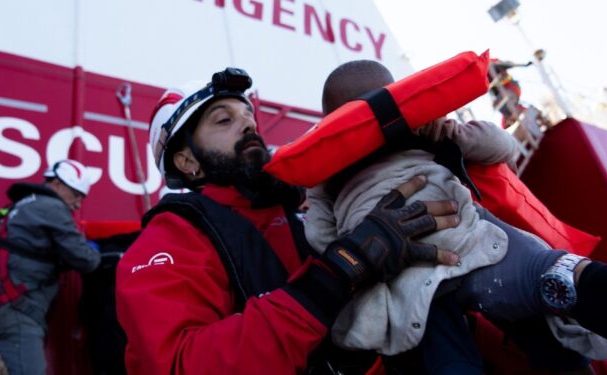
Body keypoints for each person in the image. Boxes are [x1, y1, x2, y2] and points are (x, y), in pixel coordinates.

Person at [115, 67, 463, 375]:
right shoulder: (171, 238)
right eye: (224, 120)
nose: (248, 125)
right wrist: (340, 270)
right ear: (187, 160)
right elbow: (181, 364)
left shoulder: (303, 203)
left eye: (248, 116)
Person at [307, 59, 607, 373]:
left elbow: (321, 237)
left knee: (447, 357)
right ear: (395, 97)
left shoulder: (324, 173)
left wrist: (357, 247)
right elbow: (503, 148)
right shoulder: (418, 129)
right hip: (473, 245)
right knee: (558, 282)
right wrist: (448, 132)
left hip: (402, 282)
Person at [0, 159, 101, 375]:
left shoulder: (17, 207)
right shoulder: (51, 207)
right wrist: (93, 250)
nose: (79, 203)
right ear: (57, 184)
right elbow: (88, 261)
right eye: (77, 194)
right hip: (16, 313)